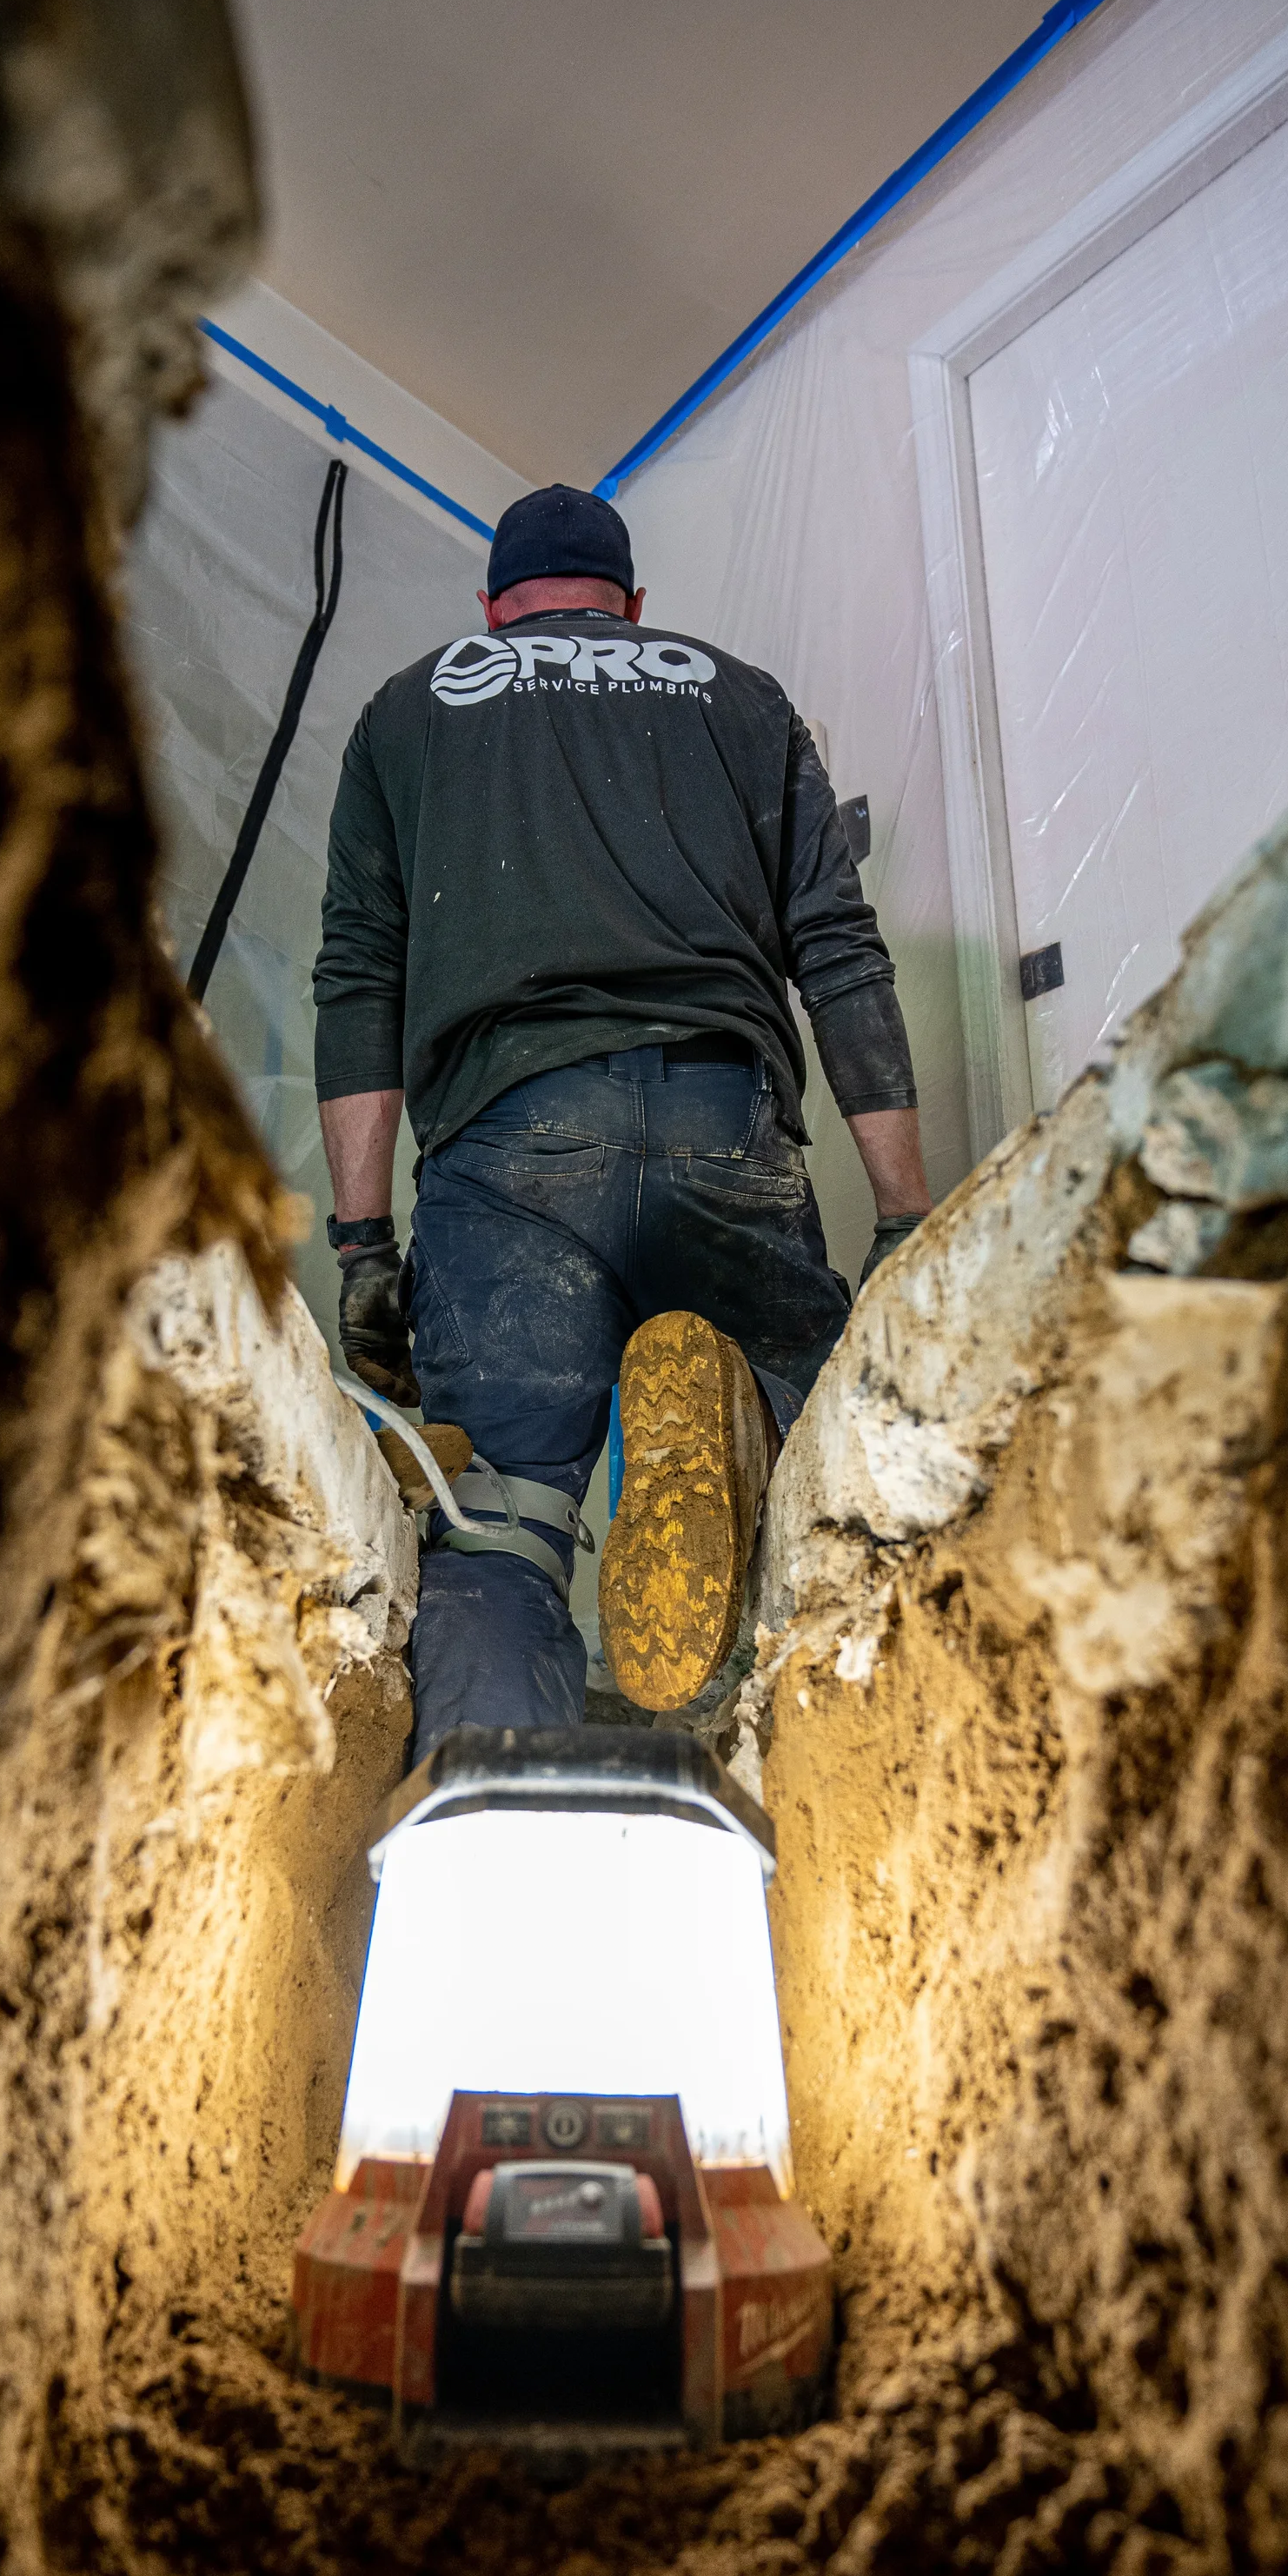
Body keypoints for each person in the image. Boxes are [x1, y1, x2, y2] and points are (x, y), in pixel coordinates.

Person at [313, 481, 931, 1750]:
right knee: (820, 1512)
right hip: (726, 1125)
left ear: (491, 612)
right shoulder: (741, 697)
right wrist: (907, 1212)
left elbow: (359, 981)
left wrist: (365, 1247)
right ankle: (746, 1472)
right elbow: (841, 956)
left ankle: (486, 1839)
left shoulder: (409, 709)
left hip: (512, 1145)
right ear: (635, 611)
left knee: (500, 1526)